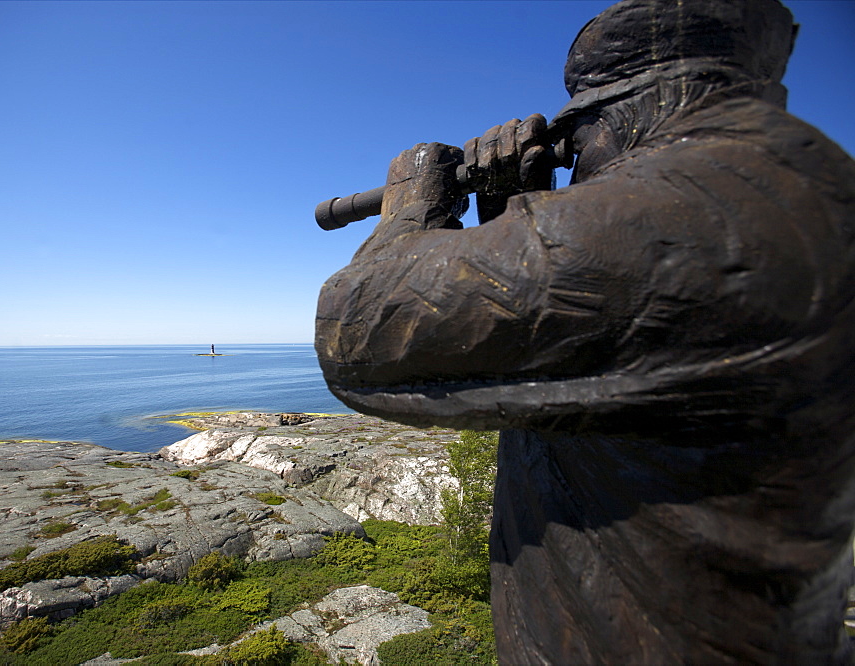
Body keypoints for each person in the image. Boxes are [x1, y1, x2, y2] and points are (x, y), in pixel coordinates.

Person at [315, 0, 855, 662]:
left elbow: (358, 332)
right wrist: (517, 212)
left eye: (581, 138)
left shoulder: (690, 205)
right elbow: (561, 339)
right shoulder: (795, 181)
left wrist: (408, 209)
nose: (580, 163)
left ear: (628, 111)